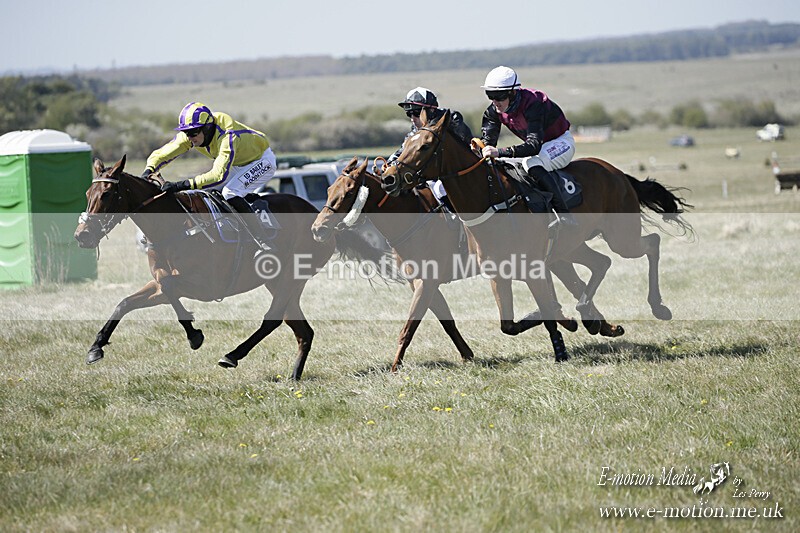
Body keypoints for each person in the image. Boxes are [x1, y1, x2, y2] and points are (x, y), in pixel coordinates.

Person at [142, 102, 276, 249]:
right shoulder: (192, 134)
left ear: (207, 128)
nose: (189, 137)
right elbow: (162, 154)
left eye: (193, 133)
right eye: (186, 133)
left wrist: (179, 185)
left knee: (230, 192)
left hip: (261, 160)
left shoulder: (227, 136)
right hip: (237, 163)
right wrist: (149, 170)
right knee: (204, 193)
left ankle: (262, 239)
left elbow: (218, 175)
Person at [479, 66, 577, 226]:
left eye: (499, 96)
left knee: (532, 163)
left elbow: (533, 146)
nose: (495, 102)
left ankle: (563, 215)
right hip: (540, 147)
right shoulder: (494, 111)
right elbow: (488, 142)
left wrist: (500, 151)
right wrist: (482, 148)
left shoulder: (533, 104)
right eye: (490, 95)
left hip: (560, 142)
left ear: (513, 92)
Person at [387, 87, 472, 209]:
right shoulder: (417, 129)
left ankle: (457, 218)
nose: (412, 119)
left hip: (460, 172)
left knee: (439, 189)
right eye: (409, 114)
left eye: (416, 113)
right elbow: (404, 150)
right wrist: (390, 163)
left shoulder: (452, 119)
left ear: (432, 109)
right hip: (435, 173)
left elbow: (467, 146)